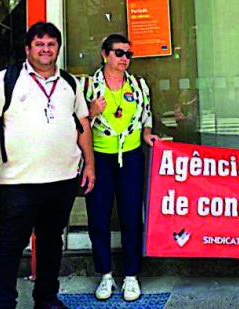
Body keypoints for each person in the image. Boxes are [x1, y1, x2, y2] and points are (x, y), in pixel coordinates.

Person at [0, 22, 95, 309]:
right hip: (19, 183)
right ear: (28, 49)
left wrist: (89, 165)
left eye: (51, 44)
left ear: (58, 49)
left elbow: (83, 126)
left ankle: (47, 299)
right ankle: (2, 304)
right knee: (10, 247)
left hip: (63, 180)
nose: (45, 49)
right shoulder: (6, 80)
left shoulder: (70, 83)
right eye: (39, 44)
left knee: (51, 243)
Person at [80, 33, 158, 302]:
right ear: (105, 54)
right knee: (98, 217)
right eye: (119, 53)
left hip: (132, 156)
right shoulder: (89, 86)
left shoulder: (138, 85)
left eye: (128, 54)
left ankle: (132, 276)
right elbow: (75, 124)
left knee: (131, 216)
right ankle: (105, 275)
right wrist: (91, 111)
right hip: (100, 157)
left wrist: (147, 134)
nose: (125, 58)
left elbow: (147, 115)